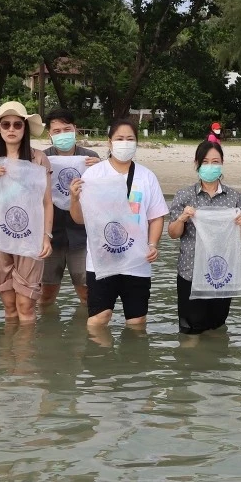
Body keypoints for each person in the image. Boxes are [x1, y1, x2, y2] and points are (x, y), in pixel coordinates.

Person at [69, 119, 168, 329]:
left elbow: (156, 216)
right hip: (102, 260)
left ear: (137, 143)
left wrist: (152, 245)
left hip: (138, 260)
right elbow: (79, 219)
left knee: (137, 321)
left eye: (130, 139)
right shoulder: (94, 174)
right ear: (109, 142)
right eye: (119, 138)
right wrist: (74, 199)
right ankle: (98, 358)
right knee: (99, 319)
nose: (125, 143)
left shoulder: (147, 176)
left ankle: (133, 360)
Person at [0, 102, 54, 323]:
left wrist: (47, 237)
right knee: (9, 306)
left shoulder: (38, 159)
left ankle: (25, 355)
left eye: (17, 124)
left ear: (25, 128)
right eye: (6, 124)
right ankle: (9, 354)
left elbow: (48, 202)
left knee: (26, 305)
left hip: (32, 236)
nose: (11, 129)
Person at [167, 141, 241, 334]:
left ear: (222, 163)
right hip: (190, 271)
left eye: (216, 161)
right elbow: (173, 233)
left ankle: (213, 363)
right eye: (205, 162)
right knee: (190, 330)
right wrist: (182, 218)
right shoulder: (185, 195)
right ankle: (191, 362)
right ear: (197, 163)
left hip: (221, 274)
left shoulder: (234, 197)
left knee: (216, 327)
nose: (211, 166)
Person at [40, 109, 100, 306]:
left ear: (76, 130)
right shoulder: (41, 158)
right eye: (56, 131)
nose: (62, 134)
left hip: (82, 237)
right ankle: (46, 334)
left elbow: (104, 195)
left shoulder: (91, 157)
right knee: (46, 295)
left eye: (67, 129)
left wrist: (102, 169)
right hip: (50, 236)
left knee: (87, 294)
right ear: (49, 134)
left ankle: (86, 333)